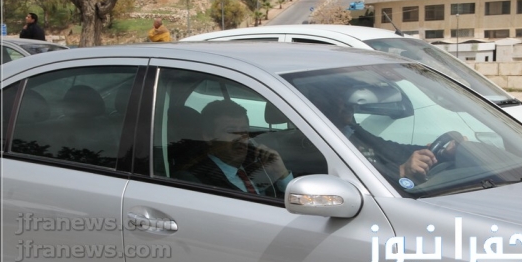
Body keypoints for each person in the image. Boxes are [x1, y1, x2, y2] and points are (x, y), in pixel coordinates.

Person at [321, 86, 458, 185]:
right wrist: (401, 171)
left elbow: (392, 150)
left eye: (345, 101)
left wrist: (440, 153)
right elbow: (364, 179)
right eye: (336, 101)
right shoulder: (321, 144)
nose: (346, 106)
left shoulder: (351, 131)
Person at [186, 100, 293, 198]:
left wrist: (281, 173)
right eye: (231, 131)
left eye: (244, 131)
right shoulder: (197, 180)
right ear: (208, 137)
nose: (241, 137)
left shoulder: (258, 165)